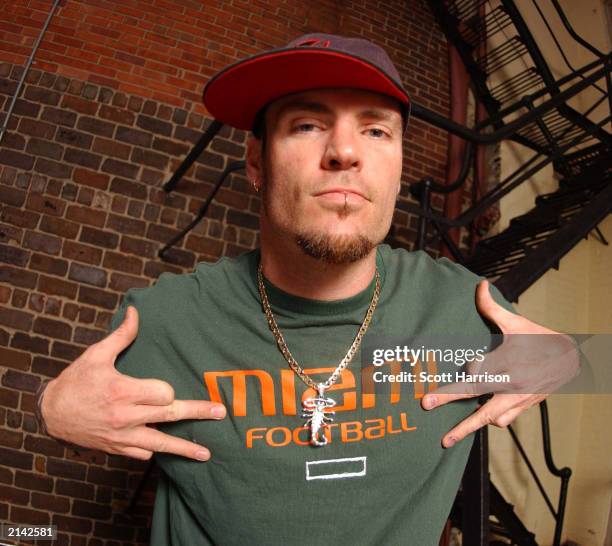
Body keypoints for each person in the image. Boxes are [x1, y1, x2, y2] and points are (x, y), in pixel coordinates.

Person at [38, 33, 570, 545]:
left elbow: (585, 363)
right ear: (256, 163)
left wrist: (567, 356)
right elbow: (69, 413)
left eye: (376, 131)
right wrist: (49, 409)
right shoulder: (166, 320)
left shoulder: (463, 308)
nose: (343, 151)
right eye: (308, 125)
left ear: (398, 164)